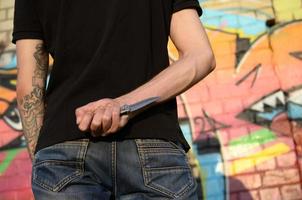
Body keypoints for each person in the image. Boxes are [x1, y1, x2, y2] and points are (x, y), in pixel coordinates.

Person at [12, 0, 215, 199]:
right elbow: (199, 55)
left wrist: (41, 159)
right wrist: (124, 104)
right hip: (153, 143)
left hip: (63, 147)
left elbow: (29, 86)